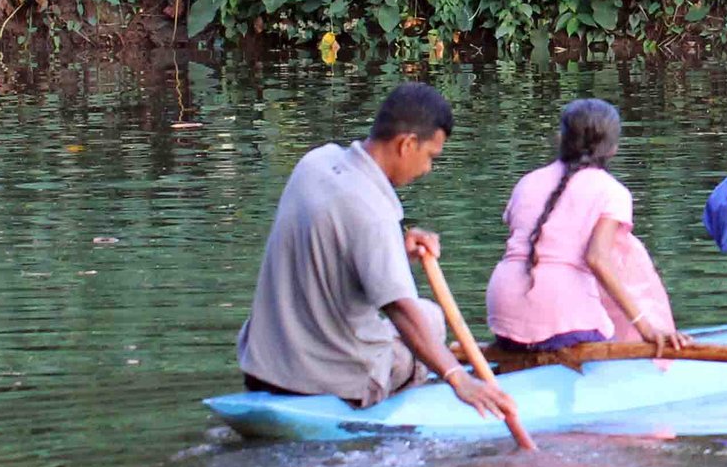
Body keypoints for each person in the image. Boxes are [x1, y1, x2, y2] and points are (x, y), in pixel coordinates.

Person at [238, 83, 513, 418]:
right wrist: (458, 378)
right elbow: (400, 310)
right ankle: (392, 421)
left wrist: (396, 249)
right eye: (430, 157)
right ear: (407, 144)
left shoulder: (315, 162)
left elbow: (333, 244)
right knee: (429, 319)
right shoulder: (374, 212)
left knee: (419, 321)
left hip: (262, 367)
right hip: (323, 380)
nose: (427, 169)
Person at [485, 98, 691, 356]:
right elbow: (597, 259)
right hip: (560, 317)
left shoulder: (527, 182)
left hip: (502, 311)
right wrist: (646, 327)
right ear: (613, 149)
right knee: (613, 344)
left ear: (560, 138)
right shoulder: (612, 192)